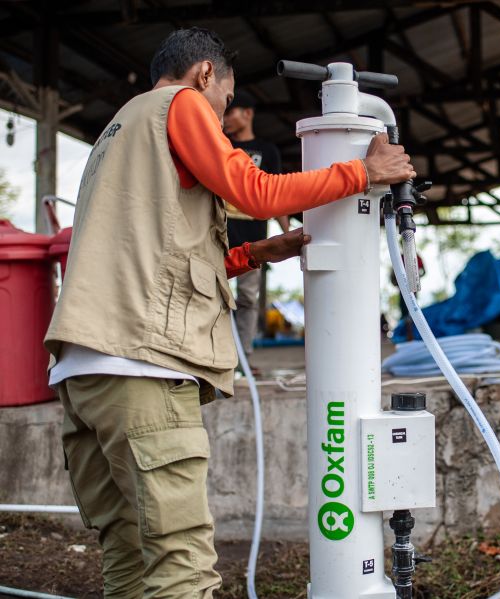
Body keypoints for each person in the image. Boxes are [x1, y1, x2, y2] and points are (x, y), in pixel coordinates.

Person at [44, 27, 414, 596]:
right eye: (222, 104)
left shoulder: (118, 130)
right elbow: (254, 191)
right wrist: (365, 174)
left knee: (129, 556)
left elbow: (160, 249)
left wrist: (259, 252)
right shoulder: (182, 103)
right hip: (143, 367)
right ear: (206, 76)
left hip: (83, 371)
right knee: (181, 566)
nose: (219, 120)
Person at [222, 89, 288, 371]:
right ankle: (215, 356)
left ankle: (242, 358)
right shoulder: (220, 145)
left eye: (229, 111)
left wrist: (286, 234)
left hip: (254, 238)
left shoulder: (267, 151)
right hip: (219, 232)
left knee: (247, 298)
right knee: (213, 295)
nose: (224, 118)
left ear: (247, 113)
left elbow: (278, 194)